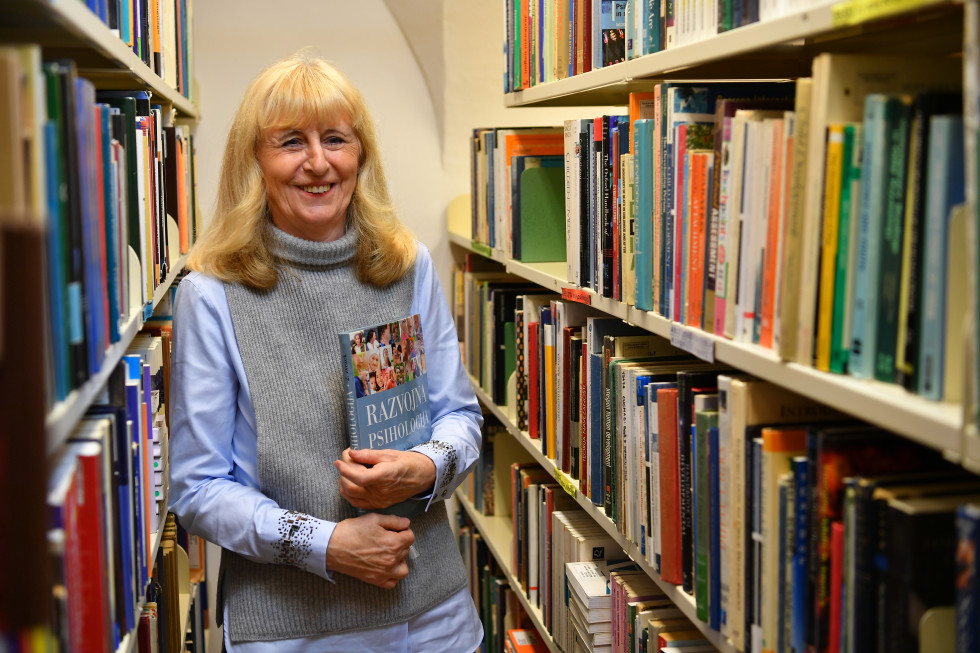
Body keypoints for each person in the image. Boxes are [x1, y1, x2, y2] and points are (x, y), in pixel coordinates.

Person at [168, 52, 484, 651]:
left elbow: (460, 417)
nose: (318, 162)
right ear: (254, 161)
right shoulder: (210, 292)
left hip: (432, 615)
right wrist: (329, 545)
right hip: (291, 631)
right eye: (290, 142)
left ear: (360, 154)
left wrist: (425, 468)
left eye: (335, 138)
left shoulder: (406, 264)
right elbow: (198, 486)